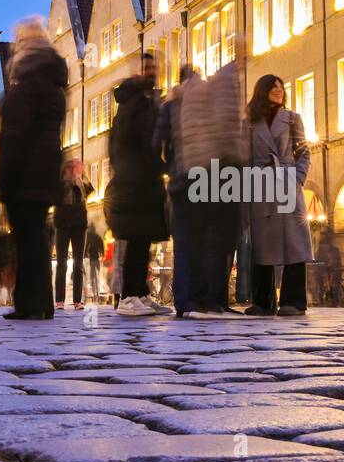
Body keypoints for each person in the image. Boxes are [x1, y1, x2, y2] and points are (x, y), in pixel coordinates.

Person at [0, 17, 68, 320]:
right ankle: (42, 303)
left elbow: (15, 135)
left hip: (25, 171)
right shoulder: (53, 80)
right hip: (46, 168)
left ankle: (29, 304)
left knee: (27, 241)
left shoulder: (27, 83)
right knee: (37, 237)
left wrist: (6, 179)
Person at [178, 60, 246, 318]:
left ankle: (209, 300)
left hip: (205, 169)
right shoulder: (215, 87)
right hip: (214, 169)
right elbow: (222, 127)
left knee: (212, 238)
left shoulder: (196, 92)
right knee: (214, 238)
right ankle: (204, 300)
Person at [105, 53, 170, 316]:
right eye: (148, 67)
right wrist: (157, 166)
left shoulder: (143, 99)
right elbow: (137, 142)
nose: (152, 70)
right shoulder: (133, 102)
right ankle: (129, 297)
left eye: (155, 66)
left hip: (143, 181)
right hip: (135, 182)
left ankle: (140, 294)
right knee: (135, 239)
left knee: (143, 241)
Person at [243, 74, 313, 316]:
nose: (279, 90)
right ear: (262, 90)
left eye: (281, 87)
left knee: (294, 242)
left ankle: (293, 301)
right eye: (273, 87)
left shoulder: (293, 119)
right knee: (262, 244)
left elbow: (304, 151)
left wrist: (298, 177)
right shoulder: (250, 121)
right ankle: (263, 301)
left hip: (287, 182)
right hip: (261, 184)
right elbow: (243, 156)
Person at [155, 64, 201, 317]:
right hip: (190, 179)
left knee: (187, 241)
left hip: (187, 177)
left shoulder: (169, 106)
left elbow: (157, 142)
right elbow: (158, 141)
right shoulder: (174, 106)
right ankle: (187, 298)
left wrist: (167, 166)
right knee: (187, 241)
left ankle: (187, 299)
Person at [53, 160, 93, 311]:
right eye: (69, 169)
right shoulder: (59, 184)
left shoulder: (82, 181)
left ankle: (77, 300)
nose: (72, 171)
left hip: (79, 225)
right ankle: (59, 300)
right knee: (61, 264)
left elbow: (88, 193)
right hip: (62, 224)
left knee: (78, 264)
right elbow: (55, 199)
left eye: (75, 168)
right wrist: (65, 185)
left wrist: (79, 181)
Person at [84, 224, 104, 302]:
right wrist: (102, 253)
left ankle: (95, 294)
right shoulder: (97, 236)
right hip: (97, 258)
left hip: (92, 259)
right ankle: (98, 293)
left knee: (93, 277)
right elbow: (101, 245)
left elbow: (86, 246)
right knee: (98, 276)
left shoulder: (89, 235)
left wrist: (85, 254)